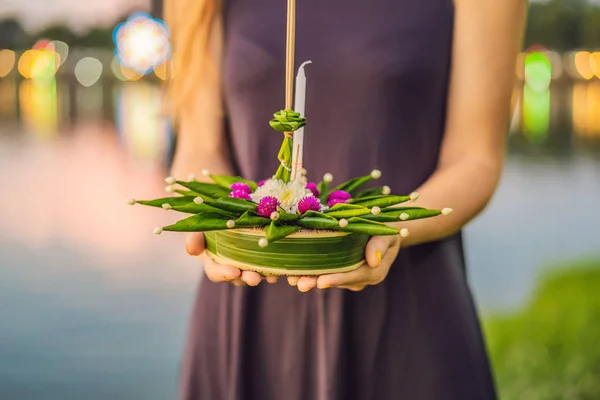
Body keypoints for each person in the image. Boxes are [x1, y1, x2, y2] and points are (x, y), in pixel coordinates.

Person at [166, 0, 526, 399]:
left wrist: (387, 229)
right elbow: (198, 147)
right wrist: (208, 215)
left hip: (406, 313)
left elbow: (475, 159)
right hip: (244, 304)